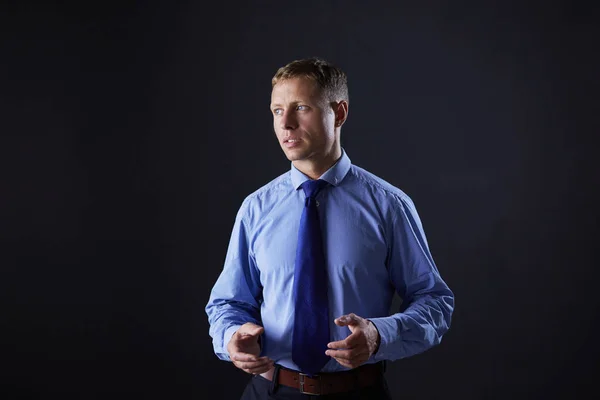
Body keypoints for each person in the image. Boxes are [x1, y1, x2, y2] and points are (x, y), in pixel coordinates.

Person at [205, 57, 454, 399]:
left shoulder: (388, 206)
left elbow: (435, 302)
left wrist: (379, 336)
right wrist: (232, 336)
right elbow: (227, 303)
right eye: (277, 110)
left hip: (357, 392)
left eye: (301, 107)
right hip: (269, 391)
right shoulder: (255, 209)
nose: (286, 124)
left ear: (339, 113)